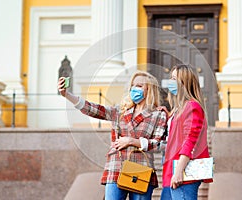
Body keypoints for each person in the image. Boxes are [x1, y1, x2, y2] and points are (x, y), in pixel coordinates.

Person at [58, 71, 167, 200]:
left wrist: (132, 141)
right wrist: (67, 95)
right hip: (116, 165)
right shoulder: (120, 111)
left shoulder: (158, 114)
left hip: (141, 169)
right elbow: (93, 109)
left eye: (139, 86)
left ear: (149, 89)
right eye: (133, 85)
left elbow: (160, 144)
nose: (134, 89)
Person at [160, 64, 212, 200]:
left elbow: (190, 141)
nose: (171, 82)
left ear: (186, 84)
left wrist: (178, 172)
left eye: (175, 79)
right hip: (171, 171)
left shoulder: (192, 106)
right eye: (171, 78)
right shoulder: (177, 110)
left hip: (183, 172)